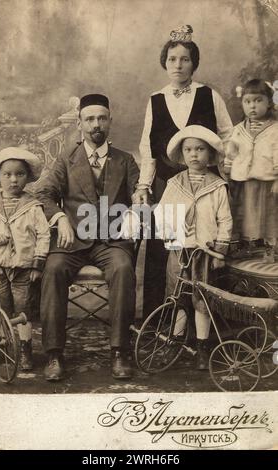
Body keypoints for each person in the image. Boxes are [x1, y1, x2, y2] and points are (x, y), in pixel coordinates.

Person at [35, 94, 139, 381]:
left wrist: (133, 213)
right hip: (72, 242)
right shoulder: (66, 160)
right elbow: (43, 194)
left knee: (122, 268)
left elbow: (139, 196)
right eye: (90, 119)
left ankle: (119, 350)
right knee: (53, 269)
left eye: (102, 118)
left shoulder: (125, 160)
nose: (96, 124)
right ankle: (54, 354)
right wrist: (60, 218)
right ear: (80, 124)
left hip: (110, 241)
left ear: (110, 122)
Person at [133, 24, 233, 319]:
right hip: (168, 187)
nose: (178, 64)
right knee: (160, 252)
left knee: (203, 251)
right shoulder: (156, 99)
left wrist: (225, 173)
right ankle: (156, 320)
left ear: (194, 63)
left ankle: (204, 321)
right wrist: (144, 185)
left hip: (204, 187)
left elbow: (228, 136)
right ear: (165, 63)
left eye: (185, 59)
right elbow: (148, 147)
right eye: (173, 59)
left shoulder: (209, 96)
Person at [155, 125, 232, 369]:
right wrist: (169, 234)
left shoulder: (217, 186)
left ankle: (202, 347)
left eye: (200, 149)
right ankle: (175, 341)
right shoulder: (174, 184)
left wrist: (220, 251)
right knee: (177, 296)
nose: (194, 154)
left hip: (205, 253)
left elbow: (225, 220)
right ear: (182, 154)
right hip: (180, 250)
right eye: (188, 149)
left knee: (202, 299)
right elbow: (163, 213)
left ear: (210, 154)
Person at [0, 147, 50, 371]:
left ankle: (25, 352)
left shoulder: (33, 207)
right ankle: (1, 352)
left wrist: (37, 264)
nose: (13, 180)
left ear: (27, 177)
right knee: (0, 308)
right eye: (7, 174)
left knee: (23, 312)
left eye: (19, 174)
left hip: (22, 268)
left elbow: (43, 234)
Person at [224, 79, 278, 262]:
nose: (252, 106)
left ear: (269, 102)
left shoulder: (275, 129)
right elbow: (231, 151)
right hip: (243, 180)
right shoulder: (239, 130)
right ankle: (248, 246)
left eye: (258, 100)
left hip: (266, 180)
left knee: (269, 214)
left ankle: (270, 248)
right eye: (248, 102)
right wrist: (228, 165)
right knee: (245, 214)